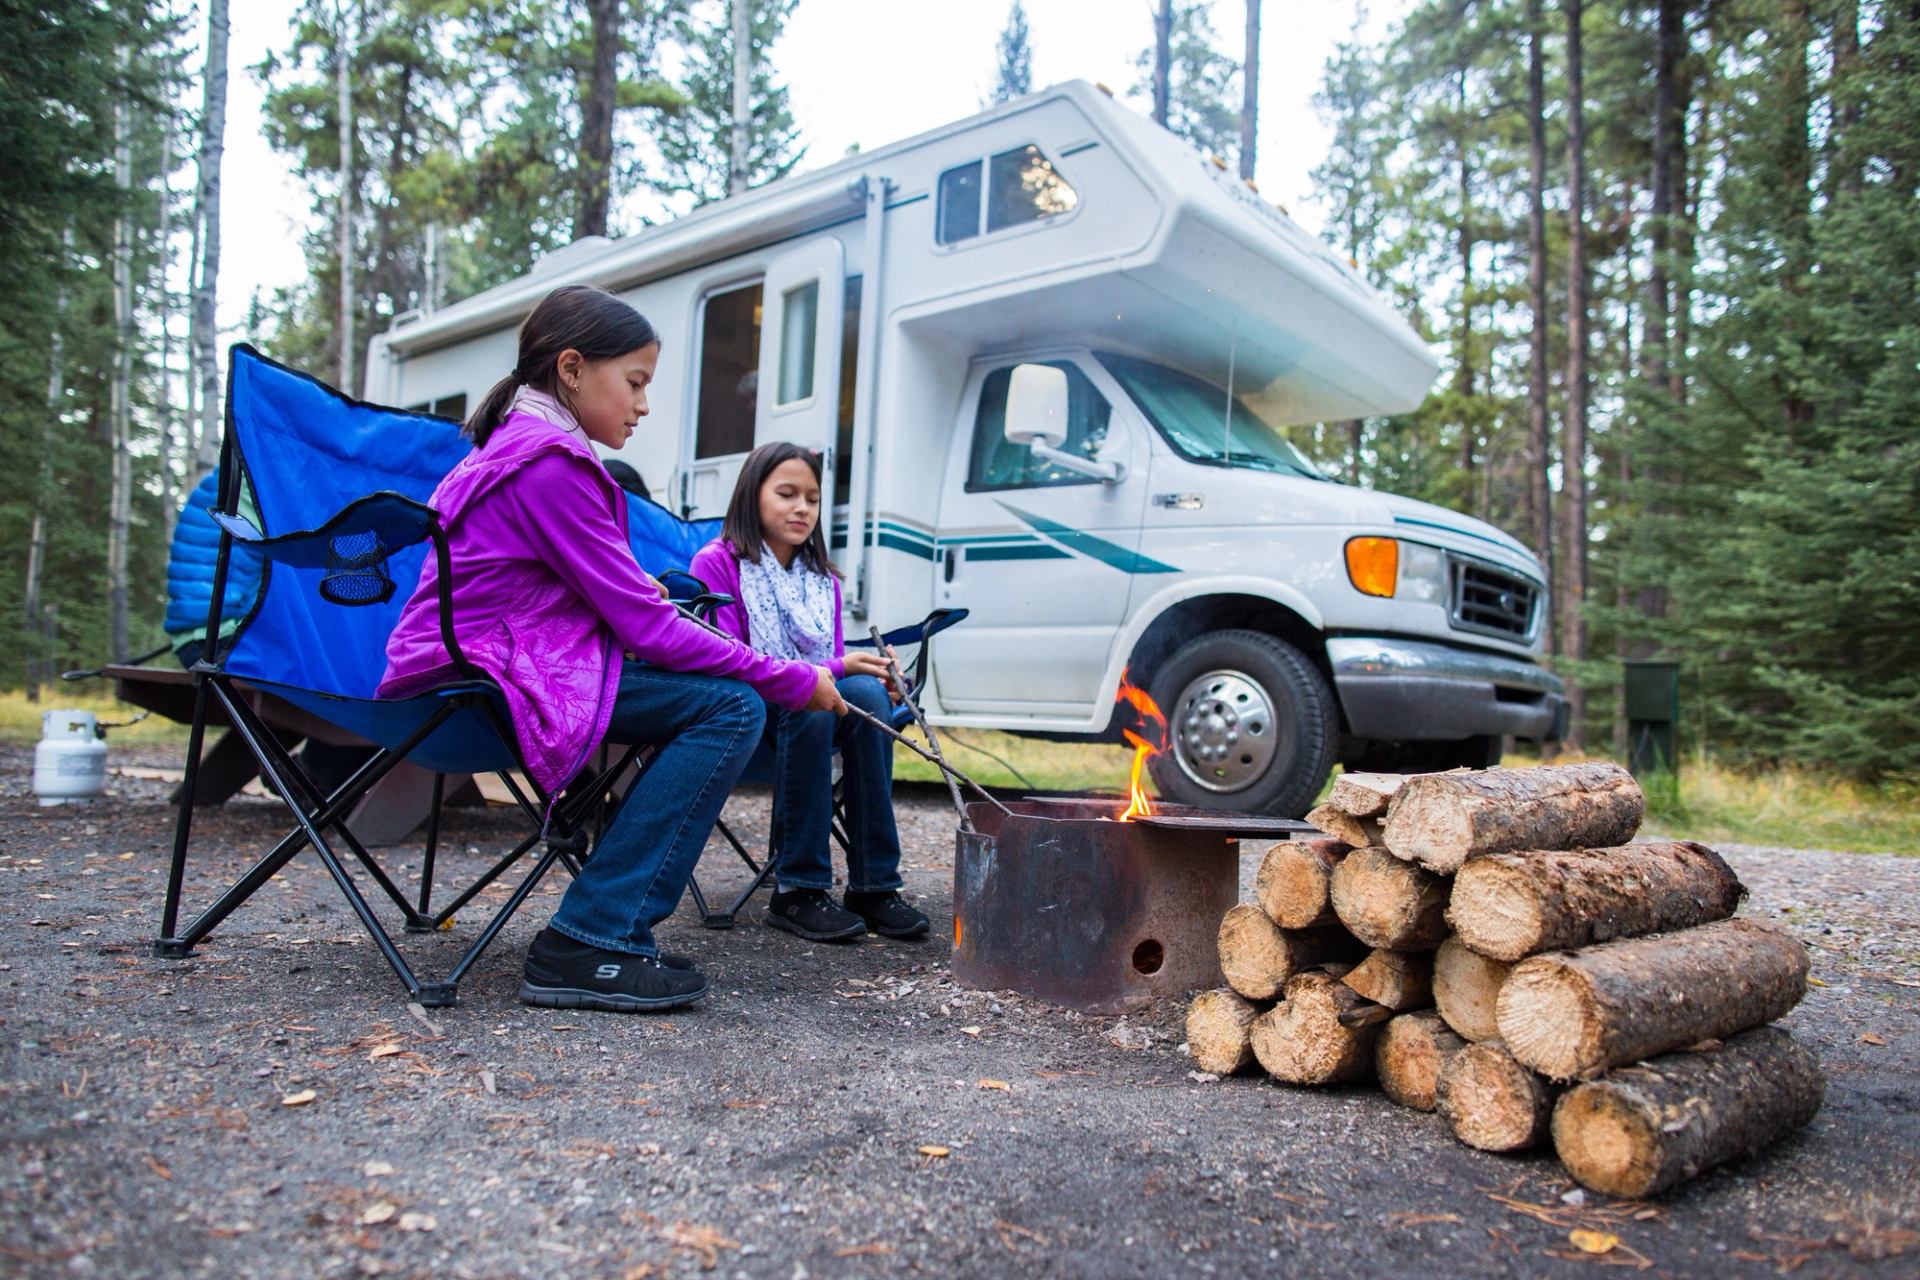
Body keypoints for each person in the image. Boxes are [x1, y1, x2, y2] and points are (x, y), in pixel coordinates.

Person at [378, 285, 847, 1013]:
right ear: (571, 368)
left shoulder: (514, 444)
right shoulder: (551, 464)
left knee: (714, 688)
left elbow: (593, 593)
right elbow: (646, 630)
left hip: (468, 660)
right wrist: (788, 677)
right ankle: (595, 936)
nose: (644, 405)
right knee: (730, 707)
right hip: (493, 674)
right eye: (635, 382)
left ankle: (601, 926)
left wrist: (643, 598)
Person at [689, 443, 931, 943]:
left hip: (808, 708)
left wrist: (880, 677)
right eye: (786, 494)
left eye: (813, 499)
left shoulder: (824, 580)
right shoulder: (717, 564)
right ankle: (797, 890)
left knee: (865, 692)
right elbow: (729, 660)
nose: (802, 508)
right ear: (751, 497)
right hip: (749, 704)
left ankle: (873, 886)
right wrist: (832, 668)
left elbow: (839, 670)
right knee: (814, 697)